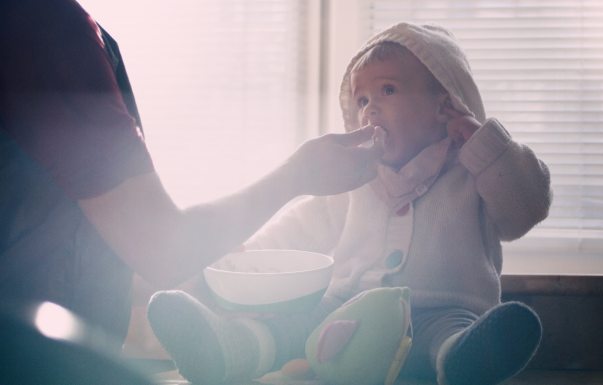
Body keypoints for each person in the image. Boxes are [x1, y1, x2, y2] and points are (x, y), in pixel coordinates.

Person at [147, 22, 552, 385]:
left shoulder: (475, 177)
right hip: (343, 310)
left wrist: (482, 143)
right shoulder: (356, 180)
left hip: (439, 312)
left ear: (443, 105)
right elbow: (298, 229)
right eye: (360, 101)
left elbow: (527, 208)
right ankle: (233, 347)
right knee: (297, 319)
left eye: (387, 90)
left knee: (449, 333)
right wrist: (242, 254)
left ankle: (463, 360)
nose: (369, 108)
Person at [0, 0, 384, 354]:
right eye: (363, 98)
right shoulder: (44, 29)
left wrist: (202, 272)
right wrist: (299, 174)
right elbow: (161, 249)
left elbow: (60, 239)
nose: (372, 109)